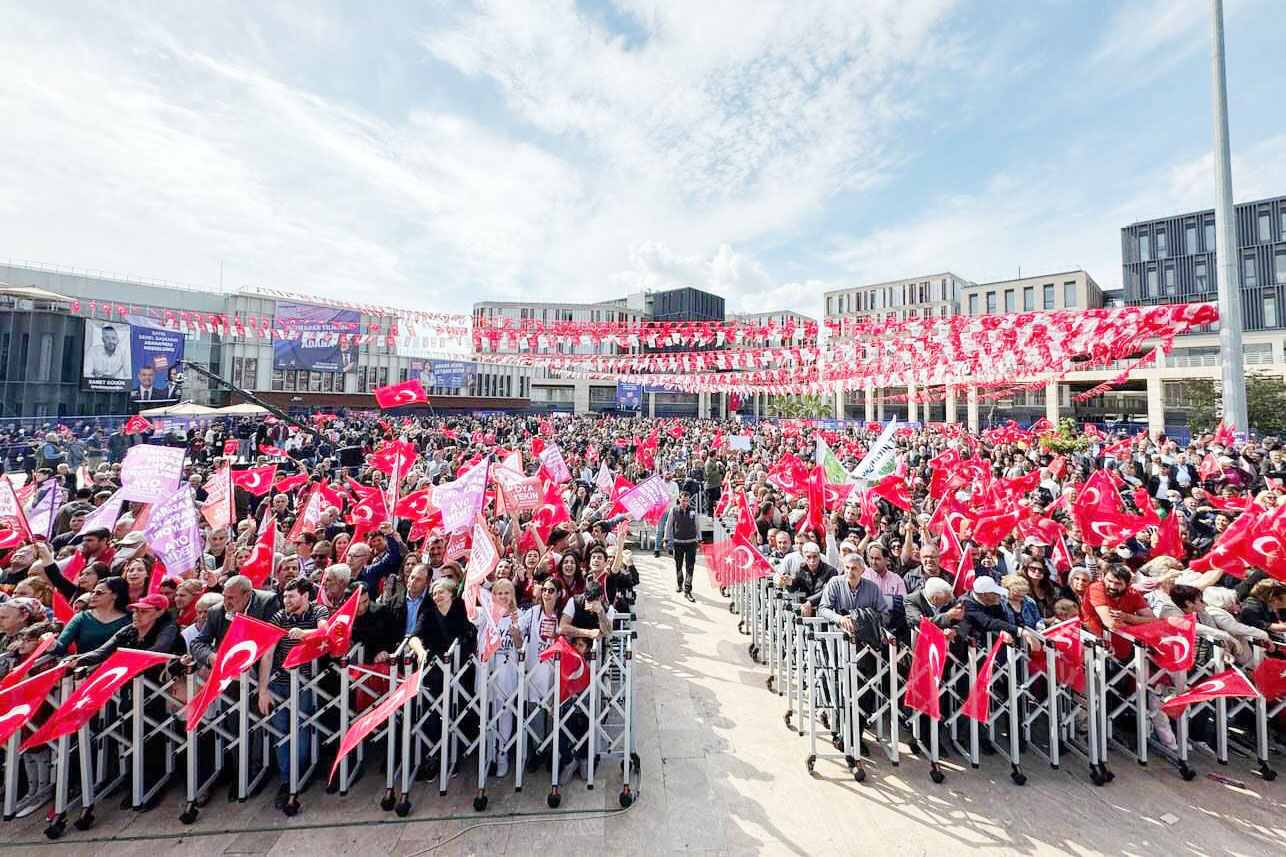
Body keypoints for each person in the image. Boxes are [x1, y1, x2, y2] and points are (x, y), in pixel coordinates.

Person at [258, 578, 328, 812]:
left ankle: (299, 776)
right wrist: (263, 689)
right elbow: (267, 655)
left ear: (305, 596)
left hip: (305, 682)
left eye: (291, 596)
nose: (286, 600)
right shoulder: (278, 617)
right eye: (285, 596)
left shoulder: (318, 609)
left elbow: (325, 630)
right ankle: (287, 780)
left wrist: (305, 633)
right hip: (279, 683)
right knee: (281, 732)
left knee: (301, 729)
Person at [188, 575, 282, 669]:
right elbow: (197, 644)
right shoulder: (216, 611)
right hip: (229, 668)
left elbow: (269, 642)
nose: (226, 602)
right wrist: (210, 656)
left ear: (247, 595)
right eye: (224, 596)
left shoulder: (268, 603)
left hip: (260, 667)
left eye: (231, 598)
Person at [54, 576, 130, 656]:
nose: (93, 596)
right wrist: (51, 644)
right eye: (92, 592)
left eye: (99, 593)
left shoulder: (127, 621)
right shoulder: (82, 617)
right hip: (82, 666)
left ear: (114, 595)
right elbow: (60, 647)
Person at [665, 491, 699, 601]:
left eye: (687, 501)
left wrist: (700, 539)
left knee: (690, 566)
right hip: (678, 542)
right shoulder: (674, 511)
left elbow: (697, 525)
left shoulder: (693, 510)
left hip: (691, 542)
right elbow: (668, 526)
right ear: (679, 499)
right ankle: (679, 583)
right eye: (683, 501)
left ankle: (688, 589)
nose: (685, 503)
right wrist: (666, 539)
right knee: (678, 564)